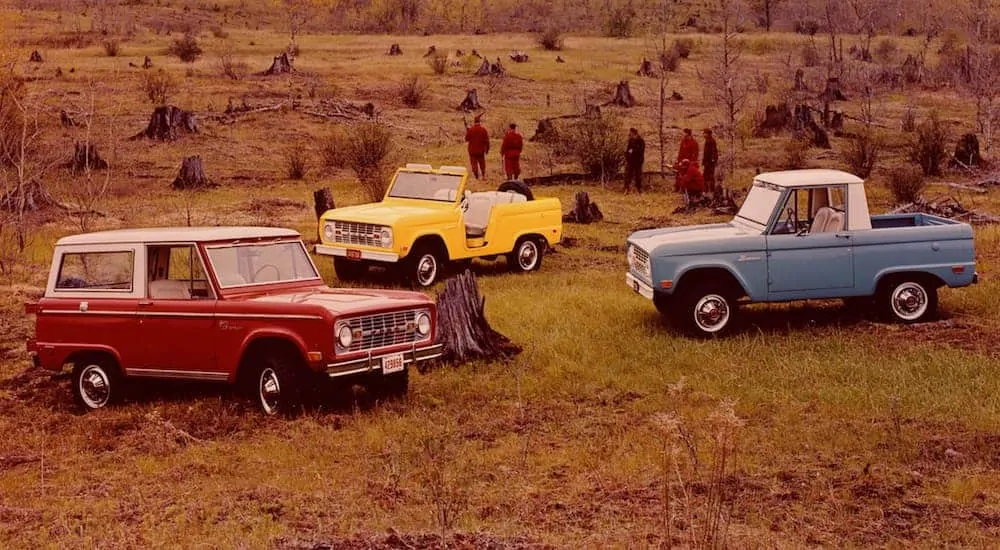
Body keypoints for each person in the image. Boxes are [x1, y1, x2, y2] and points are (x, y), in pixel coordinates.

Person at [464, 114, 490, 179]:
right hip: (481, 150)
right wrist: (487, 149)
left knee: (474, 164)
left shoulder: (471, 130)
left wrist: (467, 131)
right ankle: (483, 175)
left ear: (474, 122)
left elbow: (466, 139)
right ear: (480, 122)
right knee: (482, 163)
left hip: (472, 150)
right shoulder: (483, 130)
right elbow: (487, 141)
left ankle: (476, 176)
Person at [624, 127, 645, 193]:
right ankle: (627, 189)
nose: (629, 134)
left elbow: (640, 151)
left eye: (631, 133)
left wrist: (632, 151)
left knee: (638, 176)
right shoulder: (631, 141)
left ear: (634, 133)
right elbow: (628, 150)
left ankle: (639, 189)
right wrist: (627, 156)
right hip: (630, 161)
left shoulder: (641, 141)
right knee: (628, 175)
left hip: (638, 161)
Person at [702, 128, 719, 194]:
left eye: (704, 133)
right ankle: (709, 189)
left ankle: (709, 189)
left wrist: (712, 161)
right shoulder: (709, 140)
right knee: (708, 176)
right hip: (708, 162)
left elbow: (713, 152)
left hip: (709, 162)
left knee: (708, 176)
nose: (703, 134)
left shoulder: (710, 141)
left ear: (707, 134)